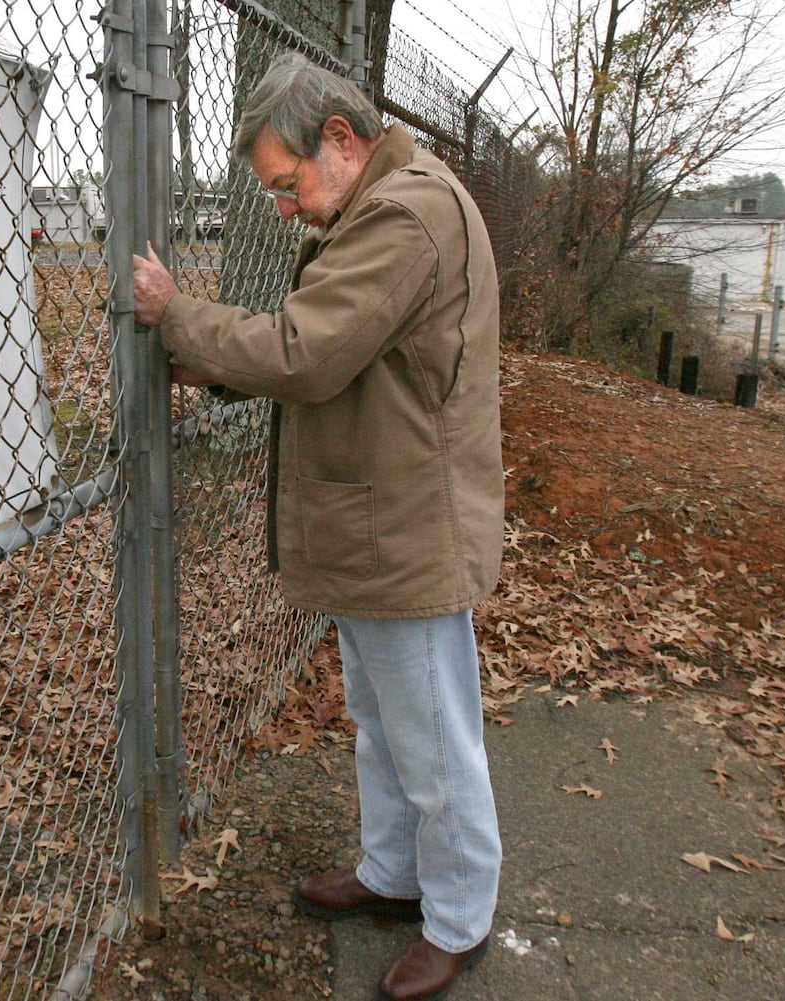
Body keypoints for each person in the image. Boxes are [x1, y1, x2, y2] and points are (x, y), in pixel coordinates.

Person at [131, 52, 505, 1001]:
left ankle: (458, 917)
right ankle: (393, 875)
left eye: (285, 184)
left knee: (431, 737)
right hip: (384, 520)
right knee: (385, 724)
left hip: (406, 530)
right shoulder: (383, 204)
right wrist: (216, 363)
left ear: (340, 140)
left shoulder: (404, 214)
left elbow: (307, 348)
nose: (284, 208)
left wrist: (180, 318)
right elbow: (343, 342)